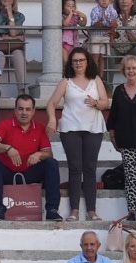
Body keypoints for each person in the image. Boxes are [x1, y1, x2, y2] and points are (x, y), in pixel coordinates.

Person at [47, 46, 108, 221]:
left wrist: (96, 103)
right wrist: (52, 119)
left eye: (81, 60)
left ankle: (91, 211)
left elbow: (105, 102)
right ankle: (74, 210)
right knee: (75, 168)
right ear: (71, 64)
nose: (78, 63)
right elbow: (52, 103)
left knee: (90, 168)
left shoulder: (96, 80)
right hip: (70, 127)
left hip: (93, 128)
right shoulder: (65, 81)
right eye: (75, 61)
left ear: (87, 61)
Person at [0, 93, 62, 222]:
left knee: (51, 163)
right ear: (15, 110)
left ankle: (52, 210)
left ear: (33, 111)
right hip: (8, 173)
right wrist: (8, 148)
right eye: (20, 109)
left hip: (30, 172)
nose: (24, 113)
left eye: (28, 109)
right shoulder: (5, 125)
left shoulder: (39, 128)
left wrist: (39, 154)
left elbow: (49, 153)